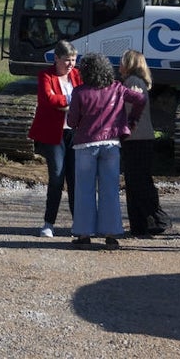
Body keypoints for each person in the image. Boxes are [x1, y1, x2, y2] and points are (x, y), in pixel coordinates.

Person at [66, 53, 145, 248]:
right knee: (110, 190)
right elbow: (140, 99)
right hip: (111, 144)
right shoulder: (117, 88)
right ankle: (111, 234)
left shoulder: (79, 92)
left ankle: (84, 234)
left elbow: (71, 121)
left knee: (84, 190)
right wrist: (132, 121)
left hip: (86, 144)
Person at [26, 40, 81, 238]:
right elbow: (48, 100)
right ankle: (49, 223)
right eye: (67, 60)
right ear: (56, 58)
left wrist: (66, 104)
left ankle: (79, 223)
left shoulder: (77, 75)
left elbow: (83, 98)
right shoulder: (46, 76)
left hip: (74, 133)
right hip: (53, 135)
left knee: (75, 179)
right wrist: (71, 102)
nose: (70, 65)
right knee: (57, 177)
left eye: (73, 60)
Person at [118, 49, 170, 236]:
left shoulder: (132, 82)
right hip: (141, 138)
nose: (120, 65)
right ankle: (141, 223)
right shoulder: (138, 82)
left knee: (138, 182)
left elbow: (130, 110)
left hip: (136, 139)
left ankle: (154, 219)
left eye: (123, 62)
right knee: (137, 181)